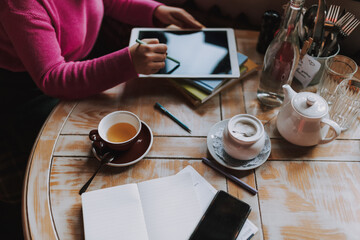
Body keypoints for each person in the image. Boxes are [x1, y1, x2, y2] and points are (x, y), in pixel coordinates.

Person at [0, 0, 203, 238]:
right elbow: (52, 77)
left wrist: (155, 11)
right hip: (29, 93)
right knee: (87, 160)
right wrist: (128, 62)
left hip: (76, 65)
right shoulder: (20, 6)